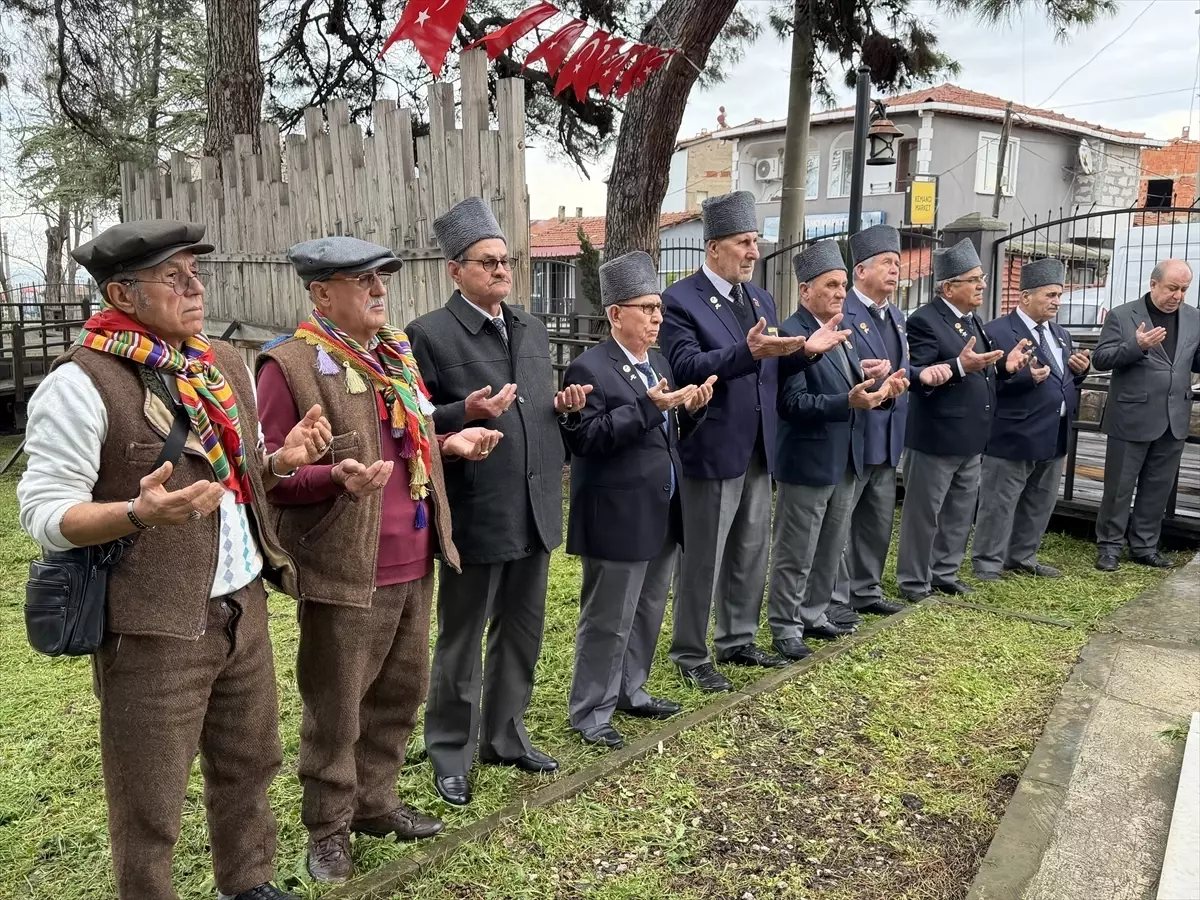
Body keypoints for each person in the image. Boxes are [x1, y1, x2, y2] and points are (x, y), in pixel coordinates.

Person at [17, 221, 331, 900]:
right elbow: (43, 514)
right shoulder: (82, 382)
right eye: (174, 277)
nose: (195, 287)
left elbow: (233, 478)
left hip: (241, 605)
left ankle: (246, 884)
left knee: (251, 764)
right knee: (149, 798)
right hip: (150, 628)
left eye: (195, 273)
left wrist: (278, 461)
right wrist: (137, 513)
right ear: (124, 293)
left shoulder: (221, 364)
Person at [256, 236, 502, 882]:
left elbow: (408, 438)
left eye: (381, 278)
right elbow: (273, 476)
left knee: (399, 693)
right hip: (345, 567)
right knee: (336, 707)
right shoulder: (289, 366)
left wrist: (453, 442)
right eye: (360, 280)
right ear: (320, 293)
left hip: (414, 556)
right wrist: (333, 478)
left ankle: (375, 802)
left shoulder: (393, 356)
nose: (378, 290)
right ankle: (329, 828)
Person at [407, 196, 583, 806]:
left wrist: (562, 409)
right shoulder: (427, 334)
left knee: (522, 631)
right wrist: (464, 413)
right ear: (455, 269)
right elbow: (414, 420)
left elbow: (535, 408)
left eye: (506, 261)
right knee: (462, 636)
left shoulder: (531, 328)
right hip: (477, 510)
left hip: (534, 507)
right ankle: (450, 749)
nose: (501, 271)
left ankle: (505, 736)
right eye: (487, 263)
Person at [659, 190, 850, 691]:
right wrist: (745, 352)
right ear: (715, 245)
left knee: (749, 549)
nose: (754, 252)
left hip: (761, 447)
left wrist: (806, 351)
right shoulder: (681, 301)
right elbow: (685, 368)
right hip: (714, 446)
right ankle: (690, 651)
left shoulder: (760, 298)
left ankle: (737, 638)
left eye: (755, 242)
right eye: (745, 242)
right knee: (704, 555)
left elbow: (773, 362)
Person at [559, 251, 714, 749]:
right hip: (617, 514)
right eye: (645, 308)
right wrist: (648, 410)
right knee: (608, 617)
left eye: (658, 309)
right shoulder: (590, 367)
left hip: (663, 508)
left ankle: (632, 689)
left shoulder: (662, 362)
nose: (655, 318)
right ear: (614, 314)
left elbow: (668, 435)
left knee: (647, 608)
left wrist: (691, 412)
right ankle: (590, 711)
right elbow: (585, 441)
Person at [768, 241, 907, 660]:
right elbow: (790, 404)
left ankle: (813, 613)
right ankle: (785, 625)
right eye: (830, 285)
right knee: (796, 549)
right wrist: (847, 401)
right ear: (805, 289)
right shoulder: (791, 334)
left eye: (844, 285)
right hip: (808, 460)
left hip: (847, 457)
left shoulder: (840, 332)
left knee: (830, 545)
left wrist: (878, 388)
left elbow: (847, 388)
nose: (840, 293)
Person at [895, 238, 1032, 602]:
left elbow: (979, 370)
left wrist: (1005, 368)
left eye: (982, 278)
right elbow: (919, 372)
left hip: (971, 437)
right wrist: (958, 367)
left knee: (958, 511)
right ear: (949, 286)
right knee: (925, 514)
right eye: (974, 279)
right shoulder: (925, 320)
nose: (982, 286)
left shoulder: (973, 320)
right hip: (937, 436)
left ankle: (945, 572)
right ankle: (914, 581)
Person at [971, 258, 1090, 582]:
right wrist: (1023, 378)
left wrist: (1079, 373)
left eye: (1059, 295)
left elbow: (1062, 379)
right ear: (1025, 297)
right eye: (1050, 295)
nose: (1056, 302)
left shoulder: (1061, 335)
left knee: (1040, 501)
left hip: (1054, 431)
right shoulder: (996, 331)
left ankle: (1023, 556)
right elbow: (986, 383)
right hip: (1013, 432)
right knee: (1000, 502)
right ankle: (986, 562)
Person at [1092, 258, 1200, 570]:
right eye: (1172, 288)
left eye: (1184, 289)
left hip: (1174, 417)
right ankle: (1109, 548)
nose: (1178, 295)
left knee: (1157, 488)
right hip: (1131, 415)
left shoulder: (1194, 318)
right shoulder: (1122, 315)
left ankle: (1144, 546)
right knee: (1119, 488)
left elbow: (1193, 360)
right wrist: (1135, 346)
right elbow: (1101, 358)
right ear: (1153, 285)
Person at [832, 224, 912, 619]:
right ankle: (835, 597)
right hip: (855, 433)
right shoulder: (841, 312)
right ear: (860, 271)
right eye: (886, 262)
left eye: (897, 263)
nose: (895, 270)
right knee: (840, 523)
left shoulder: (896, 315)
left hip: (888, 436)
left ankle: (867, 589)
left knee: (878, 521)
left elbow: (904, 367)